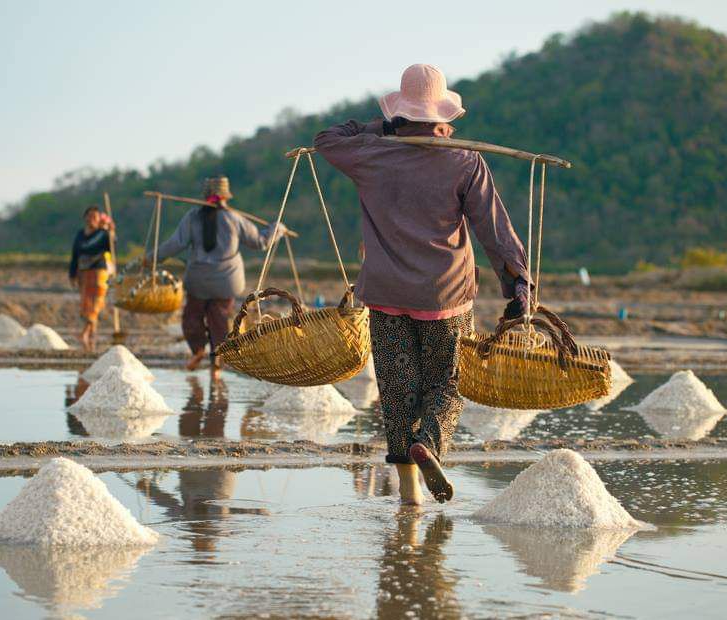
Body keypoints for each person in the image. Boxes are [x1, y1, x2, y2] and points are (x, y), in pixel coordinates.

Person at [314, 63, 531, 505]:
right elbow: (495, 231)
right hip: (444, 295)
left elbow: (327, 140)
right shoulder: (464, 161)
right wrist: (518, 286)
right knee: (449, 383)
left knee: (396, 390)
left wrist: (381, 128)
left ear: (400, 113)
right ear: (443, 117)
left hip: (386, 293)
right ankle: (428, 441)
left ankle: (409, 496)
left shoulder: (371, 153)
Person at [152, 176, 285, 378]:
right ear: (226, 198)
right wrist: (277, 228)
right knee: (219, 320)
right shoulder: (235, 219)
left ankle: (197, 350)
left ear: (206, 197)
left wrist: (152, 258)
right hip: (226, 280)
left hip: (198, 280)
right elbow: (260, 242)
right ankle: (217, 361)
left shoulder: (193, 216)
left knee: (192, 318)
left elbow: (175, 244)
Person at [68, 205, 114, 352]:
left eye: (94, 217)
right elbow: (75, 254)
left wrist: (111, 232)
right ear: (85, 218)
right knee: (85, 304)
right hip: (84, 272)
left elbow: (113, 247)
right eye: (89, 216)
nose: (91, 220)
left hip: (99, 271)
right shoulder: (80, 235)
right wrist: (72, 274)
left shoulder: (103, 234)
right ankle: (92, 334)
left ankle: (85, 333)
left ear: (99, 219)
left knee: (96, 302)